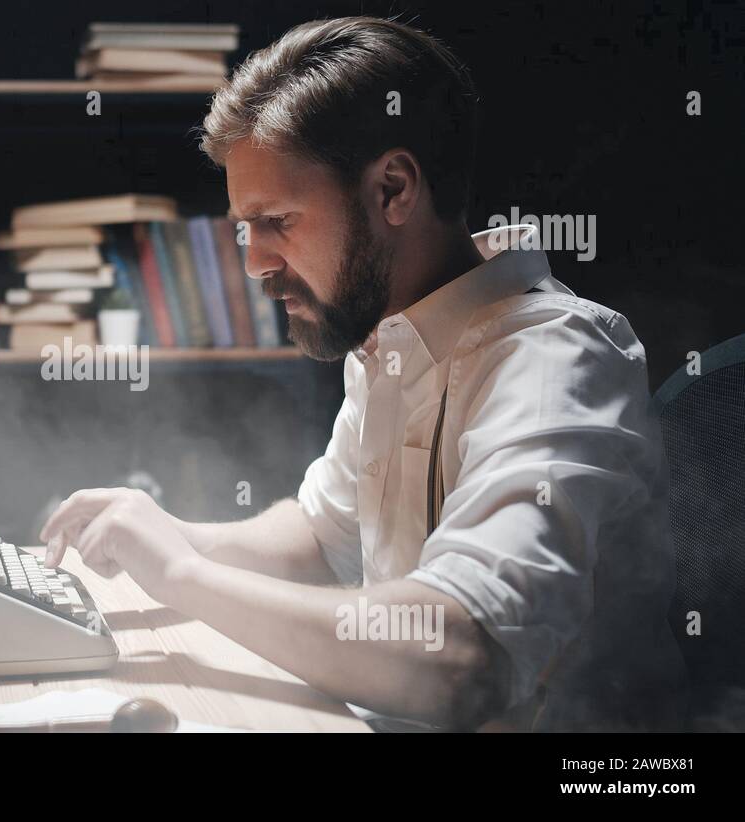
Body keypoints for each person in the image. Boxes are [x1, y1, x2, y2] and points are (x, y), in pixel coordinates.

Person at [42, 16, 686, 730]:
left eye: (278, 219)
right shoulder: (392, 337)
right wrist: (165, 532)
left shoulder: (555, 362)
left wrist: (184, 575)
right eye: (243, 228)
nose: (254, 261)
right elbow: (321, 540)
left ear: (394, 190)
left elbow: (459, 657)